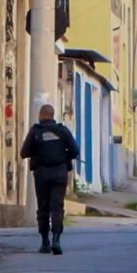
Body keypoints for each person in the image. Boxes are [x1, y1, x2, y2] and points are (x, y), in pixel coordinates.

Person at [20, 104, 79, 255]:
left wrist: (37, 151)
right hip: (60, 173)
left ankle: (45, 242)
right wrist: (63, 156)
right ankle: (56, 240)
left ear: (40, 115)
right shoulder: (62, 131)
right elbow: (75, 150)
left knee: (43, 207)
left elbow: (24, 152)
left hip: (41, 175)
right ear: (53, 116)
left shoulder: (35, 131)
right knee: (57, 207)